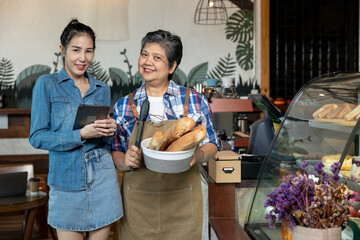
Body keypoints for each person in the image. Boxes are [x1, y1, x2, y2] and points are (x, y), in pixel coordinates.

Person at [112, 29, 222, 239]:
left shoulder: (195, 101)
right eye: (144, 54)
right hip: (138, 206)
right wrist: (125, 161)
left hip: (183, 205)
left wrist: (198, 156)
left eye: (157, 57)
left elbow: (212, 142)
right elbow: (115, 151)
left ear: (172, 66)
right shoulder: (124, 105)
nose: (147, 62)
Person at [29, 19, 123, 240]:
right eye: (76, 50)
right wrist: (80, 134)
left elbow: (104, 143)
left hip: (102, 180)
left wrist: (111, 130)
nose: (83, 58)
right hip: (66, 181)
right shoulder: (47, 84)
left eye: (89, 51)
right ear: (63, 50)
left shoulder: (101, 89)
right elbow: (37, 137)